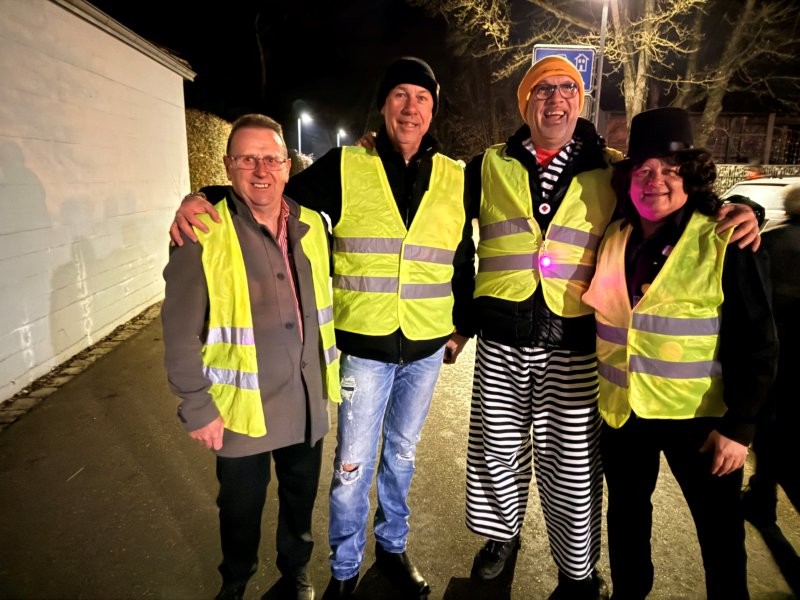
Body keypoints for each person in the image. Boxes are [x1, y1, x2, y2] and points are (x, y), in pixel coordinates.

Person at [170, 57, 474, 599]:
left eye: (422, 97)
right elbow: (269, 193)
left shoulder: (456, 175)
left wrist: (461, 329)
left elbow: (462, 255)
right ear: (383, 106)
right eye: (399, 95)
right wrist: (204, 197)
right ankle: (344, 569)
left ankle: (393, 549)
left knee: (402, 457)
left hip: (427, 350)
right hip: (365, 350)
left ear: (433, 109)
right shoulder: (346, 165)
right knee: (352, 467)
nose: (410, 107)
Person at [462, 57, 762, 599]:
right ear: (525, 103)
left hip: (597, 355)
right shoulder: (491, 165)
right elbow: (443, 222)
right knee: (504, 456)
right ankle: (504, 539)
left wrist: (744, 207)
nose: (555, 99)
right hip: (525, 347)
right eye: (542, 89)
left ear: (580, 101)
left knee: (575, 472)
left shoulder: (613, 169)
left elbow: (682, 200)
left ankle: (577, 571)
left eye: (567, 88)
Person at [582, 106, 778, 600]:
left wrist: (741, 428)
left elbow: (758, 340)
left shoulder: (724, 238)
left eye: (670, 170)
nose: (656, 182)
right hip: (624, 414)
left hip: (702, 422)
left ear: (690, 175)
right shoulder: (615, 237)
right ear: (628, 179)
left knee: (720, 536)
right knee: (627, 523)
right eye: (644, 170)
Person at [161, 114, 341, 600]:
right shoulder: (202, 230)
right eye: (247, 159)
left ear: (287, 166)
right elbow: (178, 330)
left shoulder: (312, 226)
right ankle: (235, 582)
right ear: (228, 165)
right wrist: (196, 406)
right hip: (240, 408)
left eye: (271, 159)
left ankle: (294, 572)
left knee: (300, 500)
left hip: (305, 399)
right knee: (240, 509)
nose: (261, 170)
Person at [742, 182, 800, 527]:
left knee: (773, 434)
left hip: (778, 357)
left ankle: (762, 496)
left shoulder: (773, 239)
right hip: (778, 354)